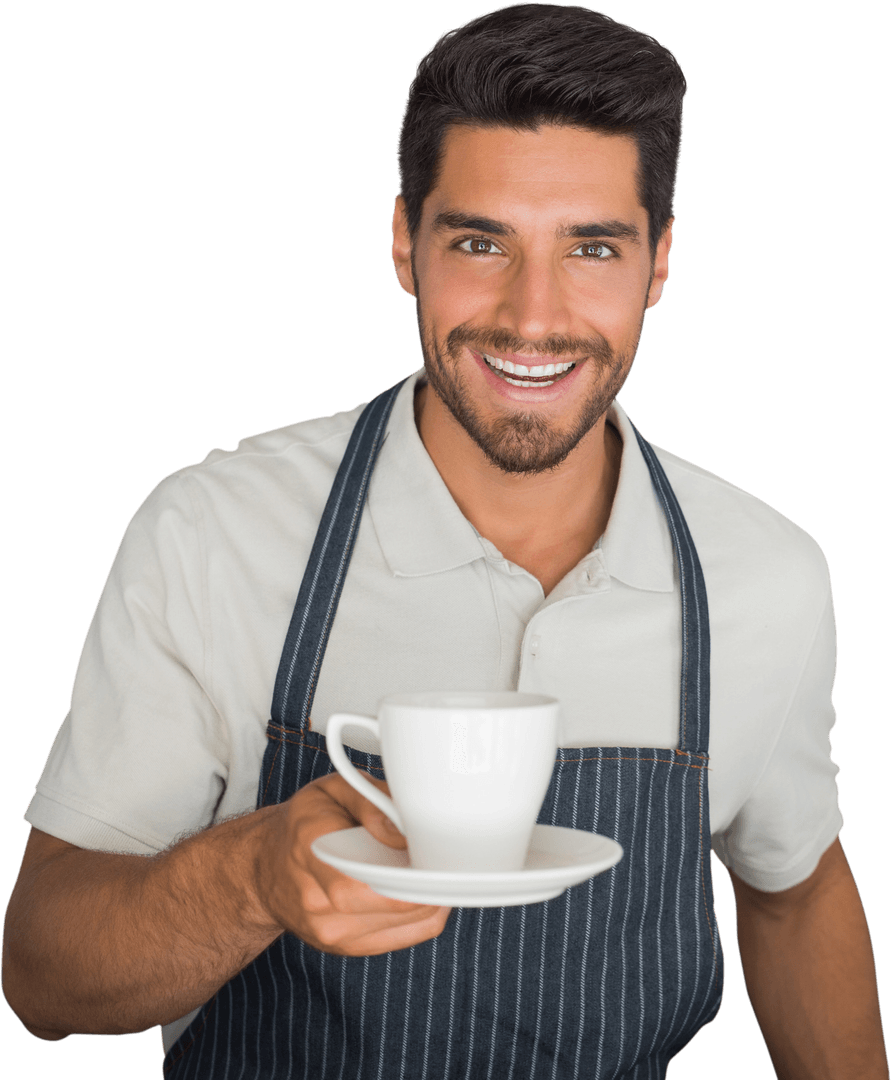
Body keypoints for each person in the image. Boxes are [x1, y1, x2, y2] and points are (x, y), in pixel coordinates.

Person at [2, 2, 887, 1077]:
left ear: (658, 264)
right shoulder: (215, 532)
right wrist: (252, 878)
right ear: (401, 242)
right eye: (480, 242)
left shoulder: (767, 578)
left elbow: (793, 900)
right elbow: (42, 977)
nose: (531, 315)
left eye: (593, 248)